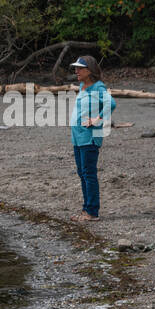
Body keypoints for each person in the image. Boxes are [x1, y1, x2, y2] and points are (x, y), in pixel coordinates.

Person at [69, 55, 114, 222]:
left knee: (89, 174)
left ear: (89, 70)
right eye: (76, 68)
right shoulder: (83, 86)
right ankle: (86, 209)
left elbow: (112, 104)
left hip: (90, 137)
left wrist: (98, 119)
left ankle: (92, 212)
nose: (76, 71)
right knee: (82, 173)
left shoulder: (98, 88)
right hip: (78, 137)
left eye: (80, 68)